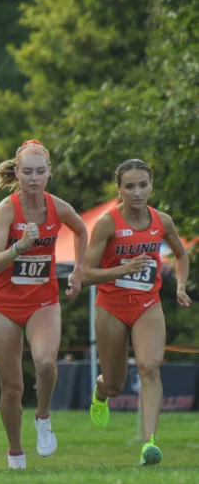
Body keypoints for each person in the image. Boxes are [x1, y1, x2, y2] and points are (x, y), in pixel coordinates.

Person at [0, 140, 88, 470]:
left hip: (42, 300)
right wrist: (21, 246)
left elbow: (82, 230)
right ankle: (15, 452)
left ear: (49, 174)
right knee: (11, 388)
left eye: (40, 172)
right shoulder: (6, 209)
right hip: (2, 304)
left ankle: (42, 417)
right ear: (16, 173)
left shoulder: (58, 207)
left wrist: (79, 271)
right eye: (27, 172)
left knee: (45, 363)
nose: (33, 178)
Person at [83, 159, 192, 465]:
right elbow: (87, 274)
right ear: (119, 190)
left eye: (142, 185)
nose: (137, 192)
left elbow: (182, 255)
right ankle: (101, 392)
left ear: (151, 186)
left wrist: (180, 287)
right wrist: (123, 268)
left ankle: (149, 445)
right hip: (111, 307)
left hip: (147, 305)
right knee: (115, 384)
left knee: (150, 367)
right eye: (129, 186)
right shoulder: (107, 223)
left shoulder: (162, 221)